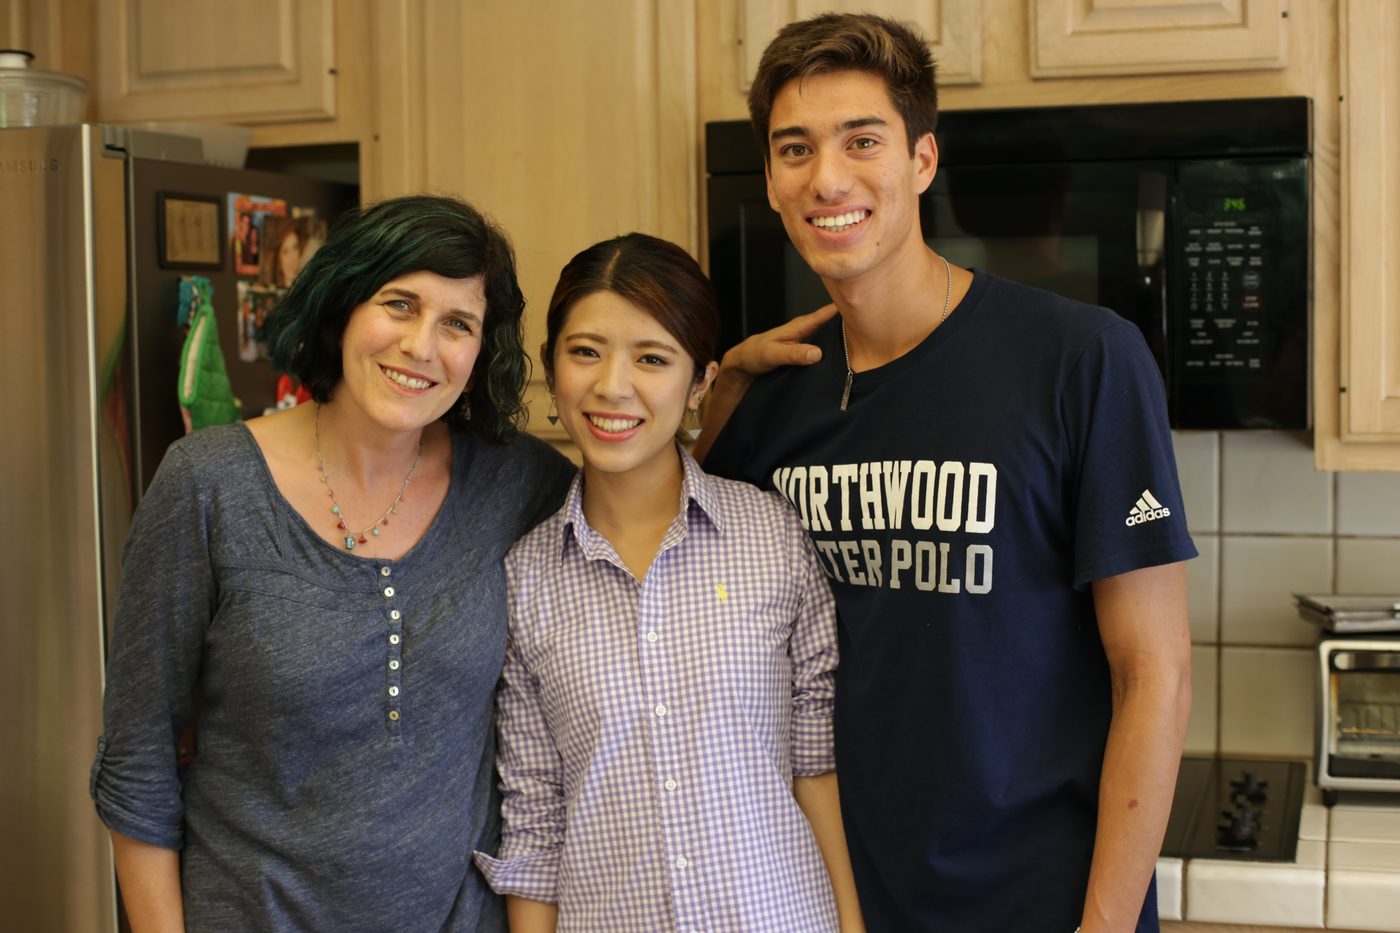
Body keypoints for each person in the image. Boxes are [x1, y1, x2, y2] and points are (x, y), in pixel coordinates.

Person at [695, 13, 1196, 933]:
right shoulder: (772, 402)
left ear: (923, 160)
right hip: (830, 902)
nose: (827, 178)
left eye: (862, 140)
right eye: (794, 149)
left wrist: (1105, 925)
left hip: (1038, 904)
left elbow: (1152, 671)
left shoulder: (1082, 359)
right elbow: (691, 617)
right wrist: (718, 394)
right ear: (769, 179)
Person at [91, 195, 576, 932]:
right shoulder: (208, 484)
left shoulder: (517, 485)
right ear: (344, 304)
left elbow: (646, 511)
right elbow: (137, 756)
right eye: (400, 304)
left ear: (480, 355)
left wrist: (727, 390)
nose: (421, 345)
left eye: (458, 324)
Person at [474, 233, 864, 932]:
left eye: (652, 358)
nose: (611, 385)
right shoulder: (525, 580)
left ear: (701, 383)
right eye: (585, 351)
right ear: (550, 367)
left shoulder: (770, 535)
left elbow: (816, 766)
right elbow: (535, 825)